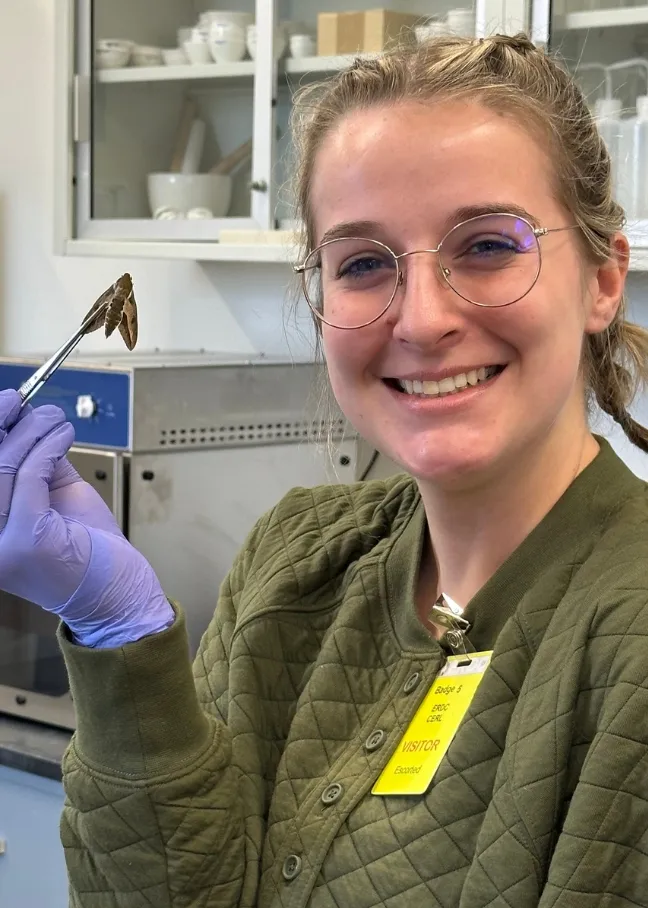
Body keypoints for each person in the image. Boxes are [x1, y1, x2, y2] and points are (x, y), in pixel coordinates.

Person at [1, 30, 648, 907]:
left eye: (489, 246)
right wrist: (118, 629)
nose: (421, 320)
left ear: (603, 279)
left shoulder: (627, 634)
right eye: (364, 264)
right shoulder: (298, 559)